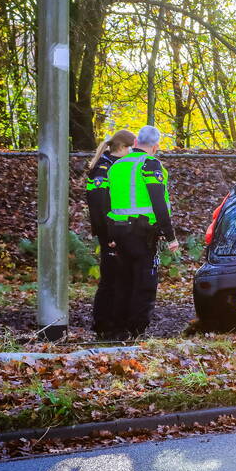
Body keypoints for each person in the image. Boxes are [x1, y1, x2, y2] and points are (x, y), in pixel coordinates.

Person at [106, 125, 179, 338]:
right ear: (155, 147)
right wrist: (170, 236)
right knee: (144, 281)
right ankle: (137, 330)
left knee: (123, 280)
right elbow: (158, 202)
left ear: (136, 143)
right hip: (141, 232)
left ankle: (118, 327)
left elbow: (109, 202)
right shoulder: (150, 165)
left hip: (118, 232)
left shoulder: (116, 166)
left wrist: (110, 235)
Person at [85, 129, 135, 339]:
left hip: (117, 231)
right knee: (110, 279)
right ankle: (104, 324)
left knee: (120, 276)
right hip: (109, 233)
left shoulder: (116, 166)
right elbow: (99, 205)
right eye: (132, 148)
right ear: (123, 147)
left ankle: (115, 322)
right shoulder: (103, 169)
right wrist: (109, 236)